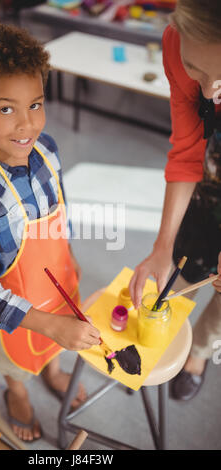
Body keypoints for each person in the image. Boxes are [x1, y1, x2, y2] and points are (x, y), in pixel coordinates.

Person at [0, 23, 100, 441]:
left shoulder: (46, 148)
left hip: (59, 280)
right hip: (15, 308)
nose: (27, 124)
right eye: (6, 108)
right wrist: (45, 323)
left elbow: (58, 212)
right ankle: (16, 392)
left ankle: (52, 371)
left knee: (57, 338)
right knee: (14, 359)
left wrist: (68, 256)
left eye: (36, 104)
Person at [129, 0, 221, 401]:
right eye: (196, 67)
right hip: (210, 181)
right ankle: (169, 335)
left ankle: (199, 352)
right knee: (183, 266)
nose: (208, 90)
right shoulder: (174, 43)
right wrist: (161, 246)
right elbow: (187, 152)